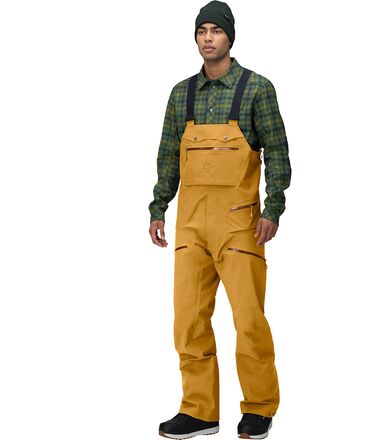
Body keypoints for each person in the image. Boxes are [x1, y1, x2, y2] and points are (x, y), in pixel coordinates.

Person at [148, 1, 291, 438]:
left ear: (230, 37)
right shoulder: (181, 94)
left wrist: (273, 208)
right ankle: (199, 410)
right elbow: (168, 156)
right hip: (191, 224)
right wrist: (158, 207)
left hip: (241, 224)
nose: (208, 38)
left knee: (248, 319)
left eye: (216, 30)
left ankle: (260, 406)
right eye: (202, 31)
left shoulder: (256, 88)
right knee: (188, 320)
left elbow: (277, 152)